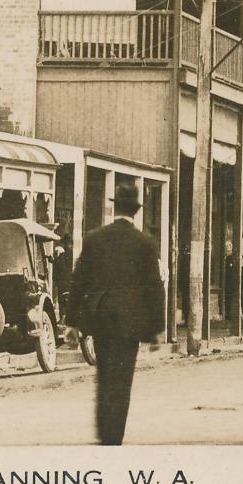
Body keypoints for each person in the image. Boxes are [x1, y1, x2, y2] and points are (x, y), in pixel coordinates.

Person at [67, 180, 165, 445]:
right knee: (123, 377)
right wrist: (157, 328)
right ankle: (114, 436)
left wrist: (72, 322)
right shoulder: (145, 243)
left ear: (114, 208)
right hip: (131, 322)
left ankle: (102, 430)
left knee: (105, 372)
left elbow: (79, 281)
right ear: (135, 211)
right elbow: (155, 287)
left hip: (101, 317)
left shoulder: (94, 239)